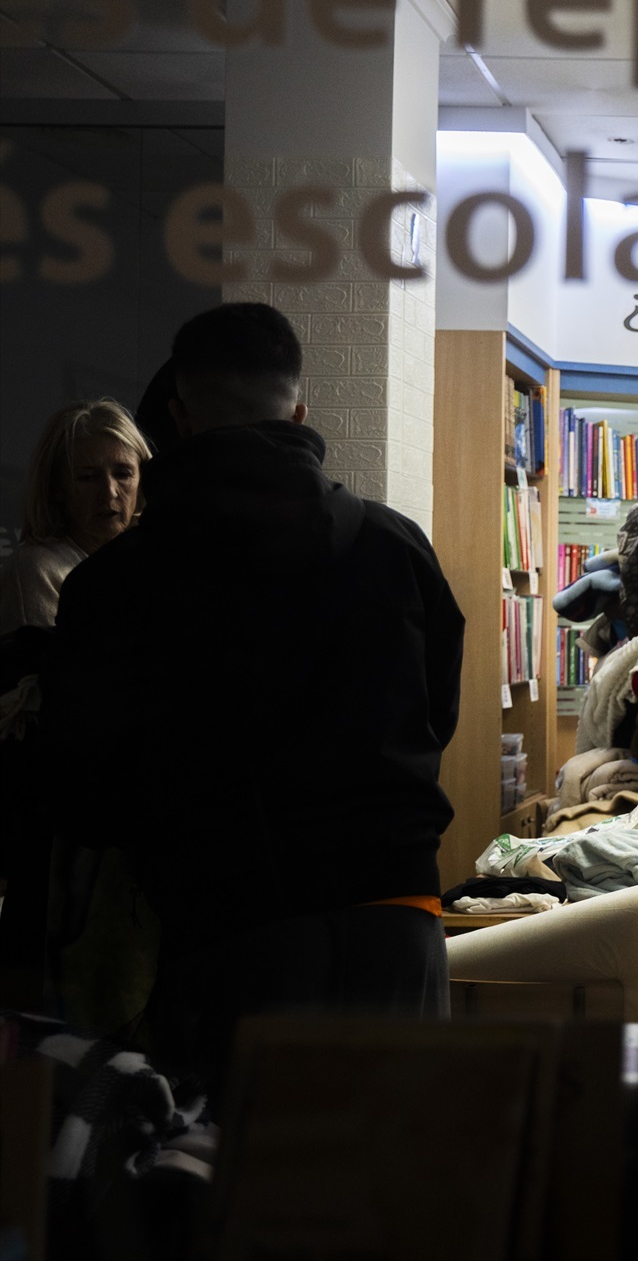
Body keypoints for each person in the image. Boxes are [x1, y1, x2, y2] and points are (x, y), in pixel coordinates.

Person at [45, 302, 464, 1093]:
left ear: (176, 417)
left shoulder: (112, 587)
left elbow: (87, 788)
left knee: (238, 1195)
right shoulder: (394, 547)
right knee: (402, 1189)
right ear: (300, 411)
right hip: (399, 917)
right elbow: (434, 717)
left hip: (227, 931)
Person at [0, 398, 148, 635]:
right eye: (88, 477)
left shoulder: (152, 561)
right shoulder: (36, 570)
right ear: (58, 487)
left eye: (122, 474)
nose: (109, 492)